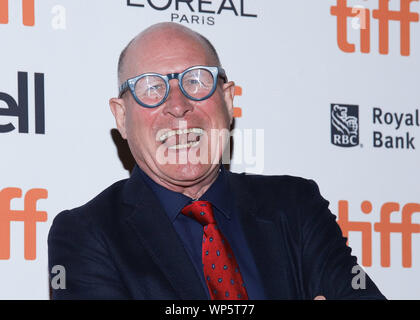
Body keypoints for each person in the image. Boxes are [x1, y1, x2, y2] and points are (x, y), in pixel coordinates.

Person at [48, 22, 385, 300]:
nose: (178, 105)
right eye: (151, 88)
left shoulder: (296, 207)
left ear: (228, 101)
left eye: (196, 81)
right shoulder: (85, 235)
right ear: (122, 117)